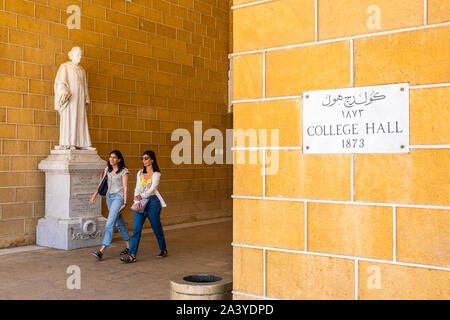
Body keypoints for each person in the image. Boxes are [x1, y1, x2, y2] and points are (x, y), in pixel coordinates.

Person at [121, 150, 167, 263]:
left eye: (146, 158)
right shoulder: (140, 173)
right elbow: (137, 188)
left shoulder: (157, 174)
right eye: (142, 158)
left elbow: (152, 189)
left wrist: (140, 197)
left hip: (153, 202)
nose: (144, 160)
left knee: (156, 227)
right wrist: (137, 202)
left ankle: (163, 249)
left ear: (152, 159)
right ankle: (132, 255)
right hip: (141, 201)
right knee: (136, 228)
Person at [90, 150, 130, 260]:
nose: (111, 159)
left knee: (109, 223)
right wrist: (95, 194)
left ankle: (101, 250)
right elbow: (102, 182)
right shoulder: (107, 169)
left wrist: (125, 203)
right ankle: (129, 246)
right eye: (110, 157)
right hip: (109, 198)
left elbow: (126, 188)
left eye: (114, 157)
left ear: (119, 159)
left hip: (118, 198)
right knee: (119, 222)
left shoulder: (124, 171)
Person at [54, 46, 92, 149]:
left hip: (80, 100)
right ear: (72, 55)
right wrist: (63, 92)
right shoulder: (65, 67)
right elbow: (60, 82)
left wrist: (86, 98)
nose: (80, 57)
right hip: (70, 100)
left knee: (80, 120)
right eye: (78, 54)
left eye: (81, 55)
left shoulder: (82, 70)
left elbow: (84, 85)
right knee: (70, 120)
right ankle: (69, 143)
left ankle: (81, 143)